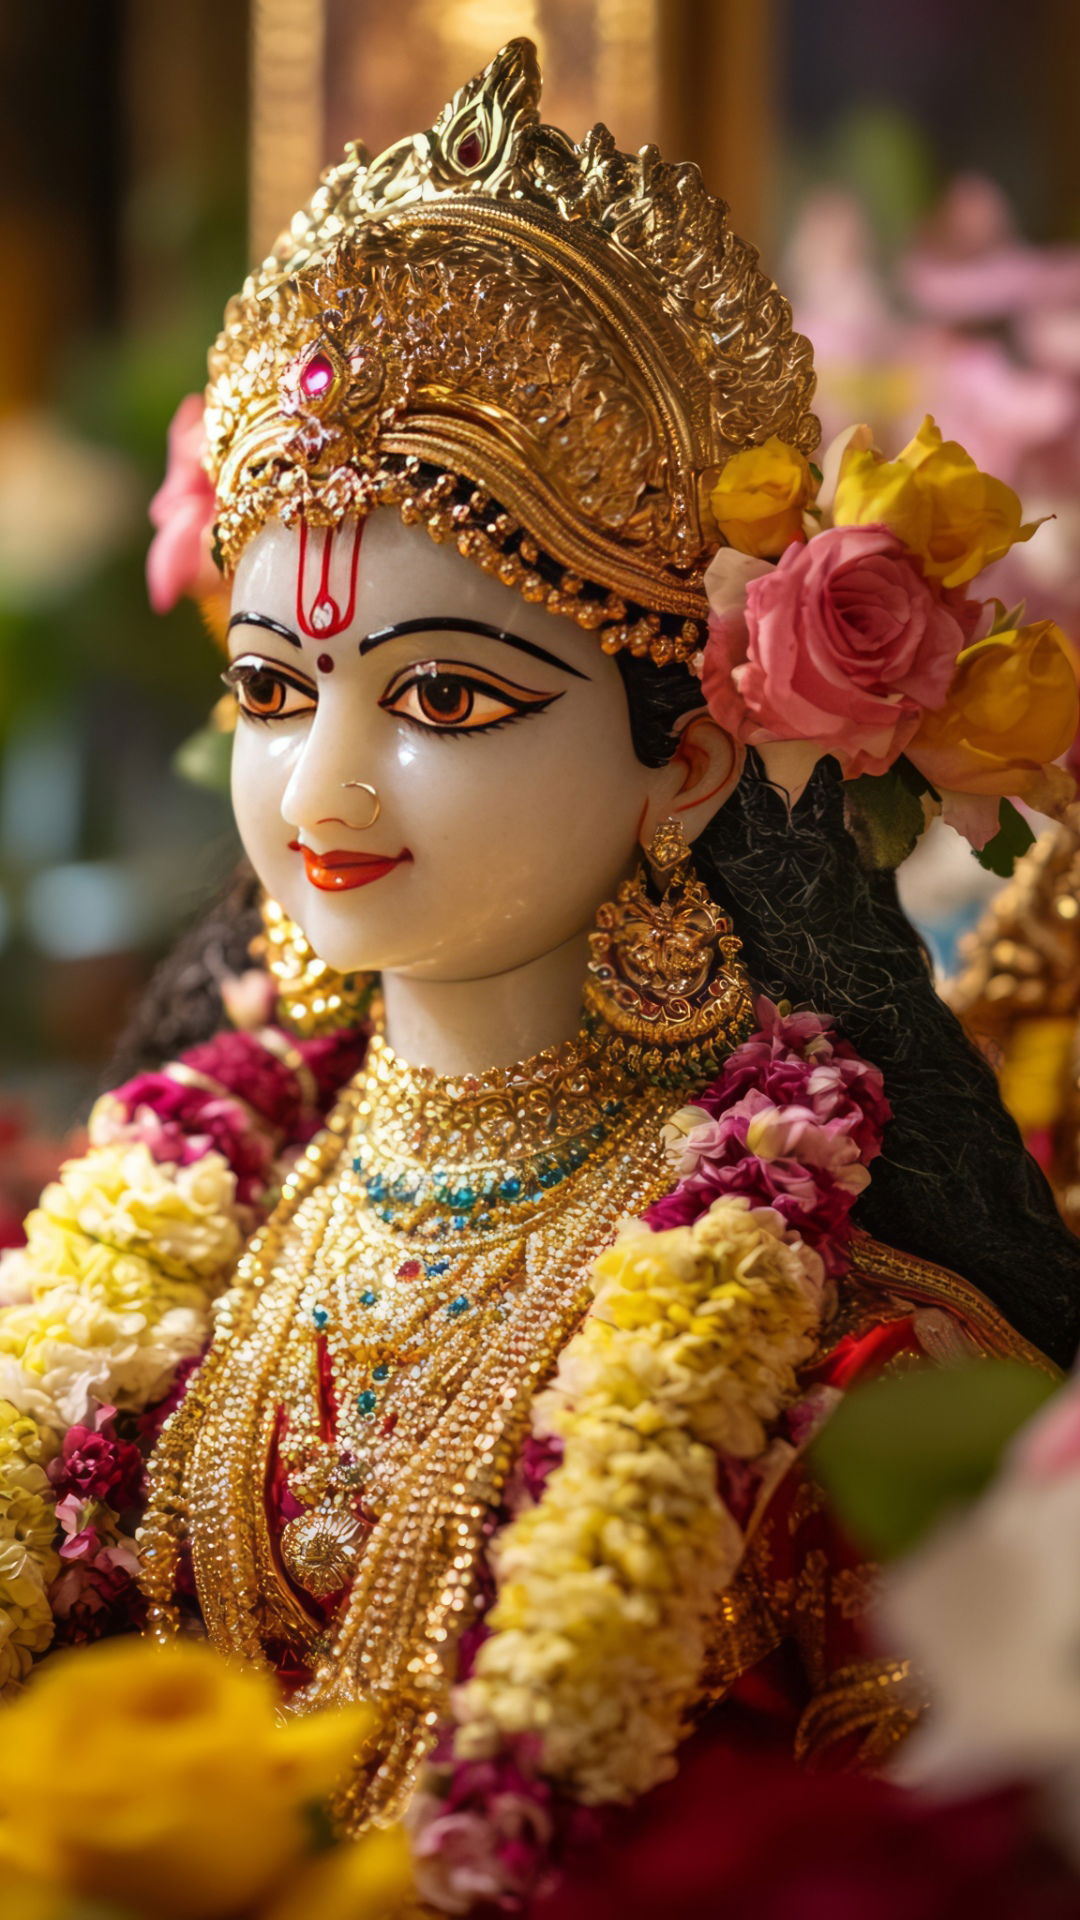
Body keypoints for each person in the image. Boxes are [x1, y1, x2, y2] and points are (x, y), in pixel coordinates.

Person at [3, 39, 1078, 1914]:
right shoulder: (176, 1228)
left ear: (687, 756)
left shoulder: (840, 1353)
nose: (321, 787)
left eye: (443, 698)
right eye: (271, 689)